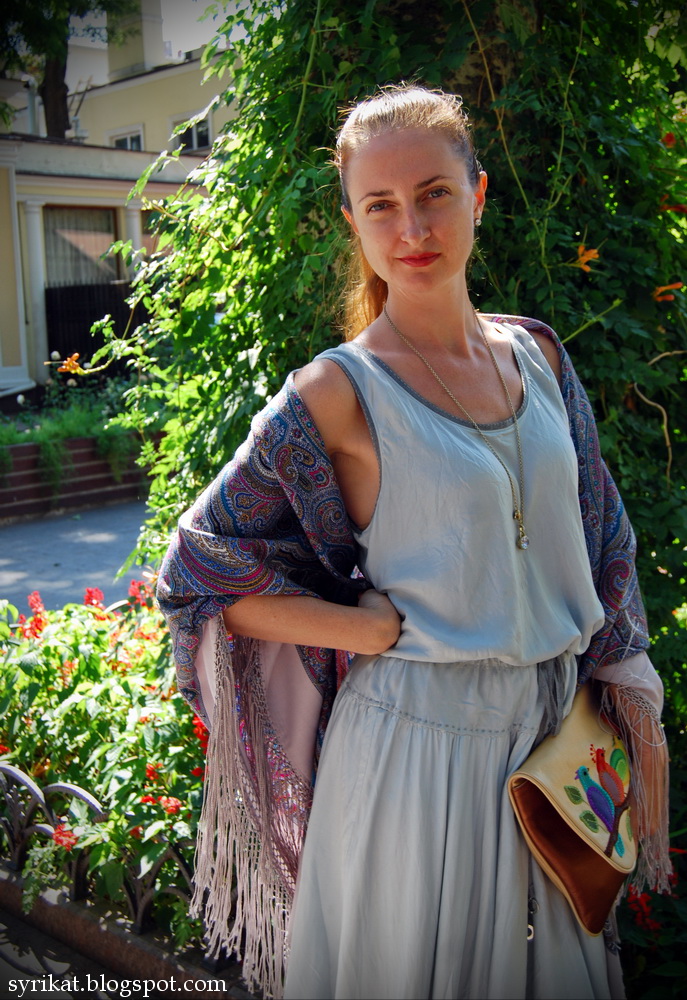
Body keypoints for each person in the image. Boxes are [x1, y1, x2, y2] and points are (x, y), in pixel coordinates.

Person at [157, 85, 670, 1000]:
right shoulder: (334, 392)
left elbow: (602, 528)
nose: (412, 228)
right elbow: (195, 566)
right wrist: (356, 629)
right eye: (380, 206)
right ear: (352, 223)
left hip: (556, 748)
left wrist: (616, 674)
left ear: (477, 195)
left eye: (434, 193)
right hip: (415, 760)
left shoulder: (540, 355)